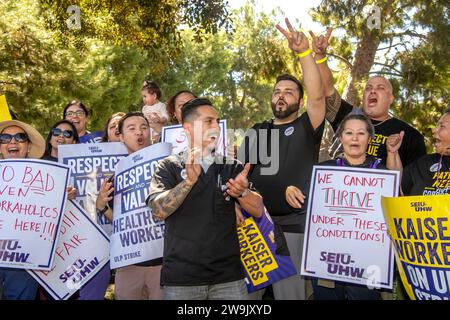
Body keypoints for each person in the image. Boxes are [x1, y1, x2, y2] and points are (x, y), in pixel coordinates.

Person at [239, 18, 326, 300]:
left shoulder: (305, 126)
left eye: (289, 92)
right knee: (246, 299)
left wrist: (303, 53)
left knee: (291, 296)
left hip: (293, 229)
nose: (281, 96)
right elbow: (242, 178)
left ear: (299, 101)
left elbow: (318, 97)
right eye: (277, 91)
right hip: (254, 229)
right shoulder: (255, 131)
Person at [147, 98, 264, 300]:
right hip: (182, 279)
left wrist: (242, 193)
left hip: (228, 279)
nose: (216, 127)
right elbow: (158, 210)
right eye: (208, 121)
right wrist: (188, 183)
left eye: (217, 121)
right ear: (188, 128)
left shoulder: (232, 166)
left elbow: (258, 210)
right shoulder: (169, 166)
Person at [290, 112, 400, 300]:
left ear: (369, 138)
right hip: (328, 263)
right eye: (349, 133)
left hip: (367, 265)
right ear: (341, 138)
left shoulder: (382, 174)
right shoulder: (323, 171)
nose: (354, 138)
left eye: (361, 133)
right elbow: (306, 207)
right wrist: (292, 191)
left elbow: (394, 211)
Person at [309, 29, 426, 167]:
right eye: (368, 88)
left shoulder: (409, 135)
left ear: (391, 98)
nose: (372, 91)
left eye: (380, 88)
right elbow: (327, 89)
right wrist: (320, 56)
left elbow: (415, 182)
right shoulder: (348, 116)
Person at [95, 112, 164, 300]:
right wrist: (102, 207)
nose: (139, 133)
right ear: (121, 136)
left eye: (143, 127)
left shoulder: (167, 165)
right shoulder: (116, 176)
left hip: (163, 263)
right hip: (129, 265)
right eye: (131, 129)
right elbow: (119, 221)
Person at [0, 119, 45, 300]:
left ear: (27, 146)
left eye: (20, 137)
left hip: (23, 259)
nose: (12, 141)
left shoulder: (45, 179)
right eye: (5, 138)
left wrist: (65, 196)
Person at [402, 107, 450, 196]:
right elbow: (397, 190)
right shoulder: (422, 164)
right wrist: (392, 153)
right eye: (437, 126)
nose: (434, 130)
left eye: (442, 126)